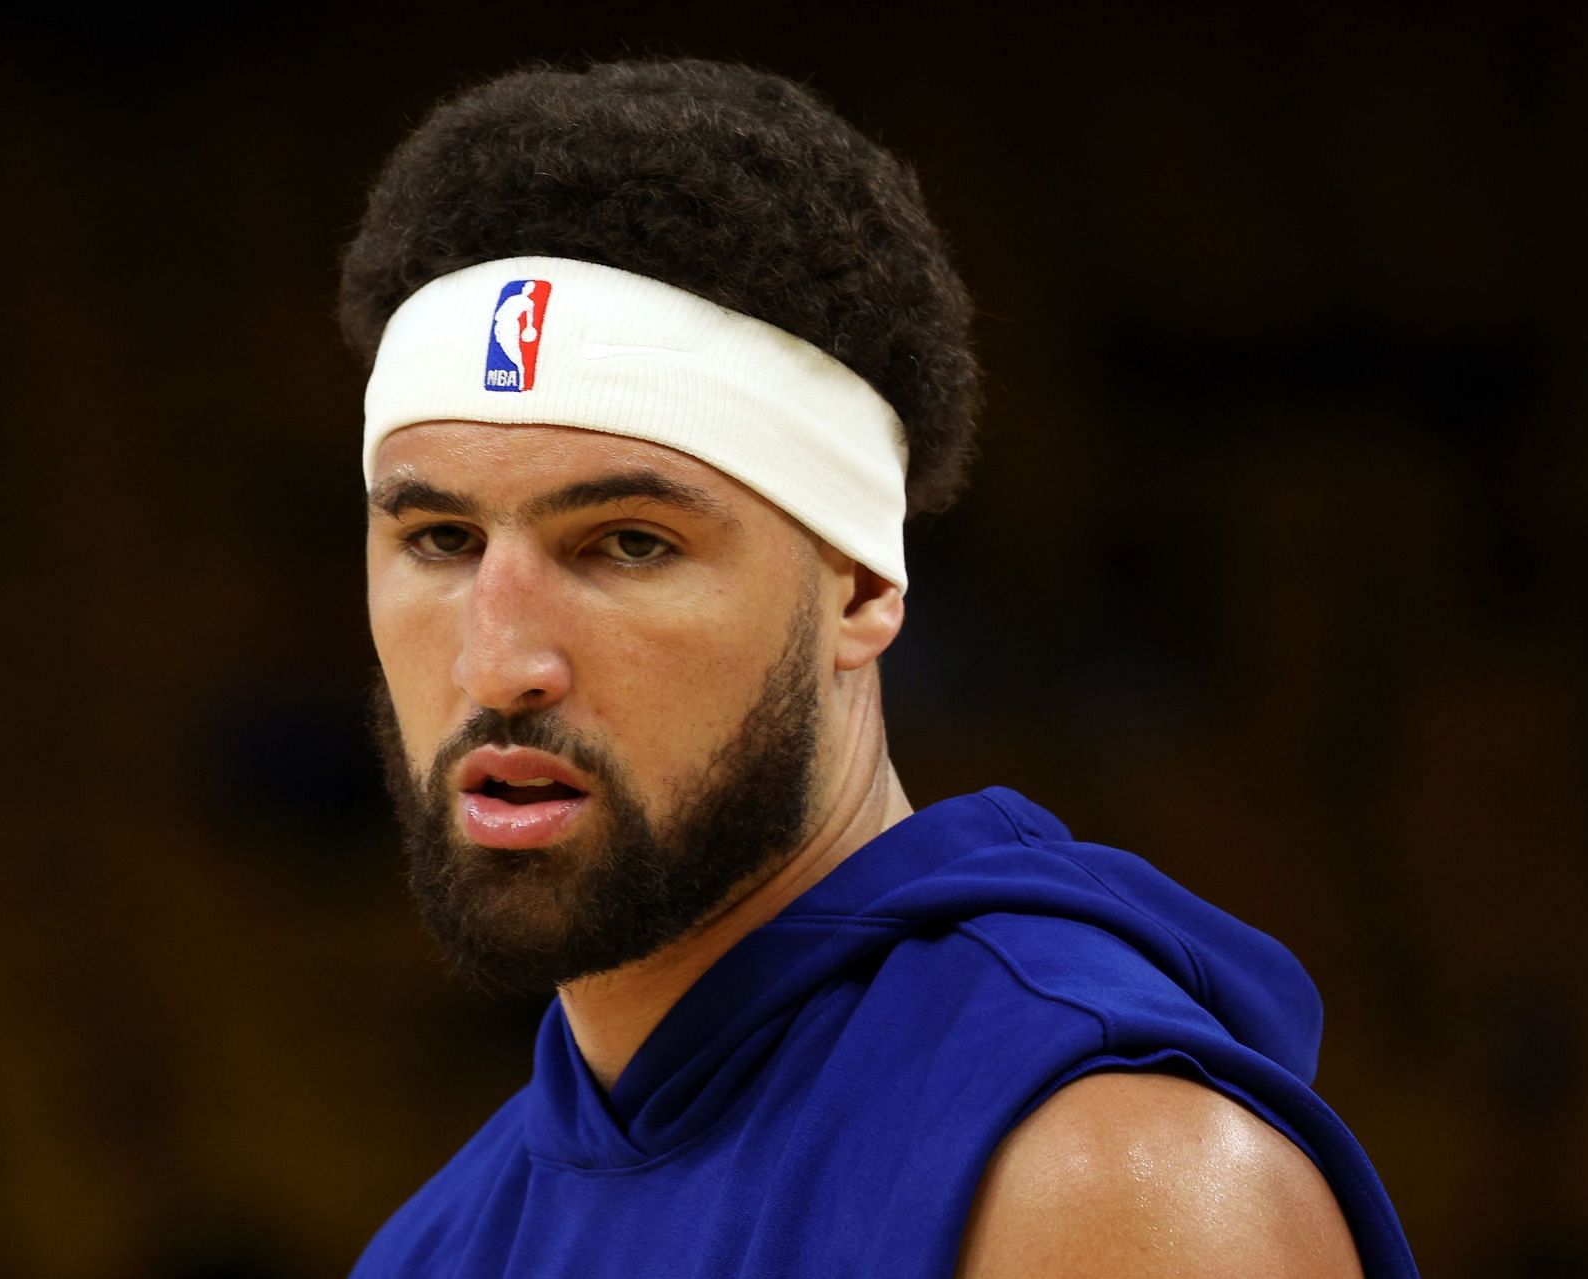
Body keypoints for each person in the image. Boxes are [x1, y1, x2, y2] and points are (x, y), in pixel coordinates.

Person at [338, 57, 1418, 1277]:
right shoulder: (430, 1249)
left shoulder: (1106, 1181)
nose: (499, 660)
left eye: (628, 544)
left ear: (859, 586)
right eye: (440, 540)